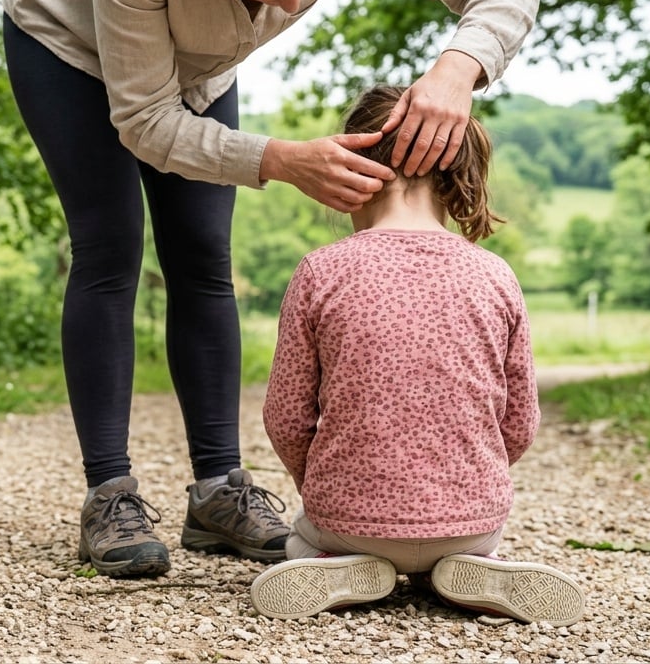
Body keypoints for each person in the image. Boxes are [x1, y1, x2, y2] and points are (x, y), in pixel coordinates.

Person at [0, 0, 539, 577]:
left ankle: (219, 491)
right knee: (110, 248)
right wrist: (277, 159)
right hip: (68, 42)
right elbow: (144, 122)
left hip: (199, 67)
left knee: (203, 253)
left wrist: (460, 67)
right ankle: (110, 494)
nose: (287, 8)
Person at [249, 85, 585, 626]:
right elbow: (520, 422)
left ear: (351, 168)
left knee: (300, 533)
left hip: (349, 517)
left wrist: (323, 486)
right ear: (456, 175)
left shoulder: (321, 271)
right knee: (463, 539)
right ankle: (464, 566)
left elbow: (286, 416)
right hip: (471, 517)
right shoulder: (496, 275)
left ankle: (329, 558)